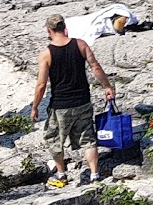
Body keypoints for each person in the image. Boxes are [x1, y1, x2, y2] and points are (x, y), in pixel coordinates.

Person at [31, 13, 115, 189]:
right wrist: (107, 86)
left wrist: (35, 106)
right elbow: (95, 66)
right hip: (83, 100)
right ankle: (94, 175)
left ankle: (61, 175)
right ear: (64, 28)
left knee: (54, 139)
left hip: (61, 105)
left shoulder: (46, 53)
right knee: (88, 139)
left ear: (49, 30)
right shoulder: (80, 44)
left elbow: (41, 85)